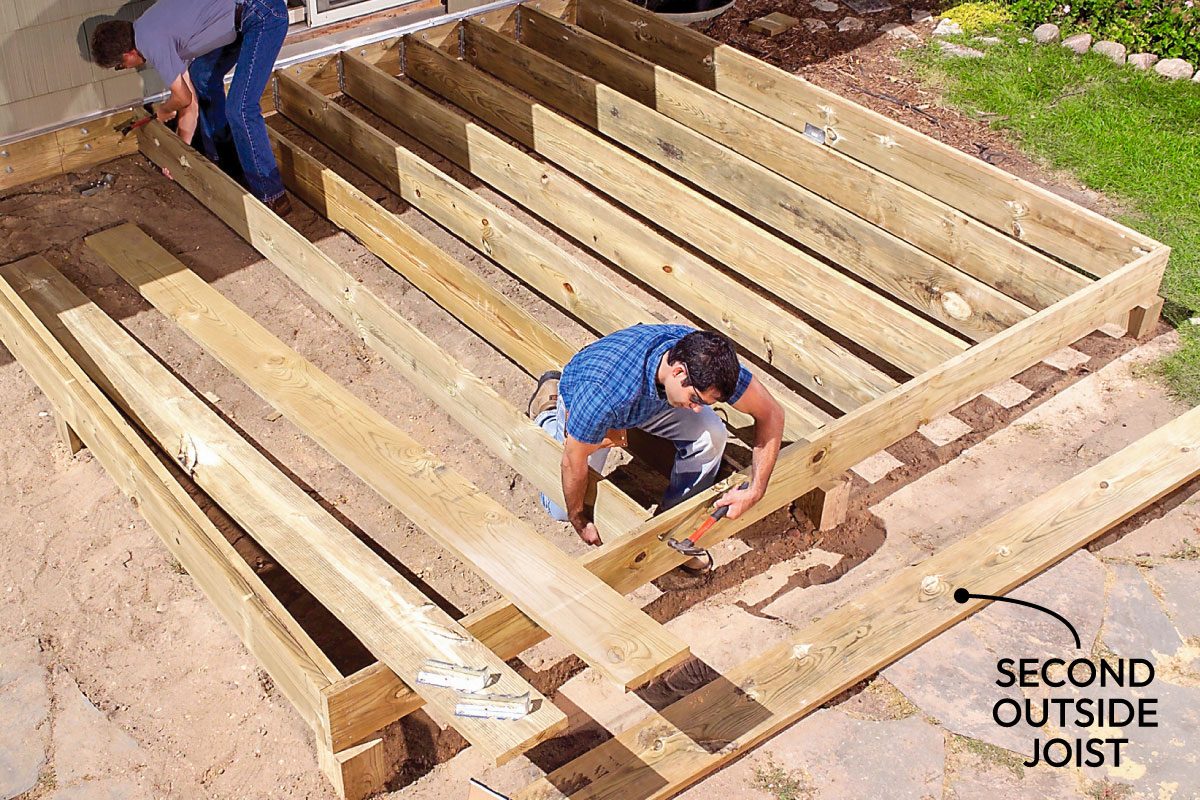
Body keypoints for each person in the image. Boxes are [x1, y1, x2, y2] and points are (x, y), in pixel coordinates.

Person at [529, 324, 784, 547]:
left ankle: (672, 520)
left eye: (705, 402)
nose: (697, 408)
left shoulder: (708, 363)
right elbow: (572, 462)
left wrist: (755, 490)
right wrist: (579, 519)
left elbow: (772, 413)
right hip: (589, 400)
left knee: (712, 432)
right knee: (560, 508)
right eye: (695, 399)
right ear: (678, 372)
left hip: (646, 403)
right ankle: (548, 412)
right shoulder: (604, 394)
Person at [89, 0, 291, 213]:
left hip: (262, 13)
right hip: (241, 17)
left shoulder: (152, 42)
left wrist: (165, 110)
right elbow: (190, 104)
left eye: (120, 67)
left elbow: (182, 98)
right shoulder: (147, 29)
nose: (125, 68)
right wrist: (180, 155)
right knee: (201, 77)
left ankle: (273, 197)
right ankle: (225, 161)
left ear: (127, 54)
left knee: (240, 109)